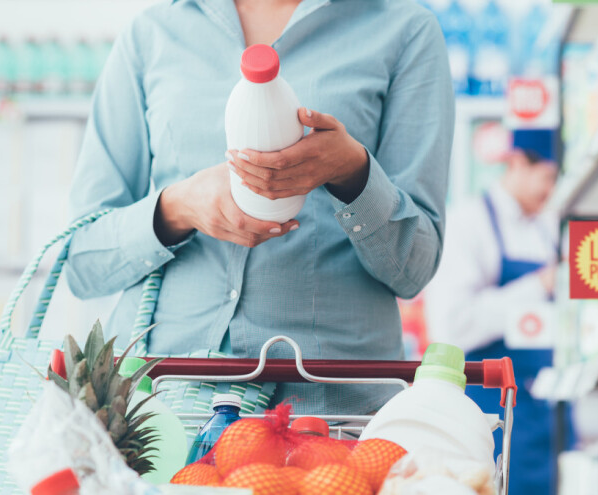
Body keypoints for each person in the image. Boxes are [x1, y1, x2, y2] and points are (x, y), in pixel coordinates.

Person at [64, 0, 453, 416]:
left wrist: (353, 173)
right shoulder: (154, 33)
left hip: (328, 411)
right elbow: (83, 263)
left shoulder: (404, 29)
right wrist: (177, 209)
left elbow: (414, 269)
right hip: (160, 409)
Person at [425, 128, 561, 494]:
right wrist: (539, 286)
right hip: (489, 412)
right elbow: (453, 325)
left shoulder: (547, 228)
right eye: (547, 176)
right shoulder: (469, 223)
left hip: (544, 412)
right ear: (516, 163)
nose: (551, 189)